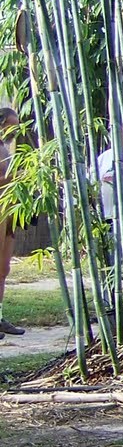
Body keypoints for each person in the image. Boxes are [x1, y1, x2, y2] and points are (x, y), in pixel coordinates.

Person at [0, 106, 23, 336]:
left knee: (3, 268)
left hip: (8, 212)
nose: (15, 130)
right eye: (11, 125)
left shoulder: (6, 149)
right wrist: (14, 178)